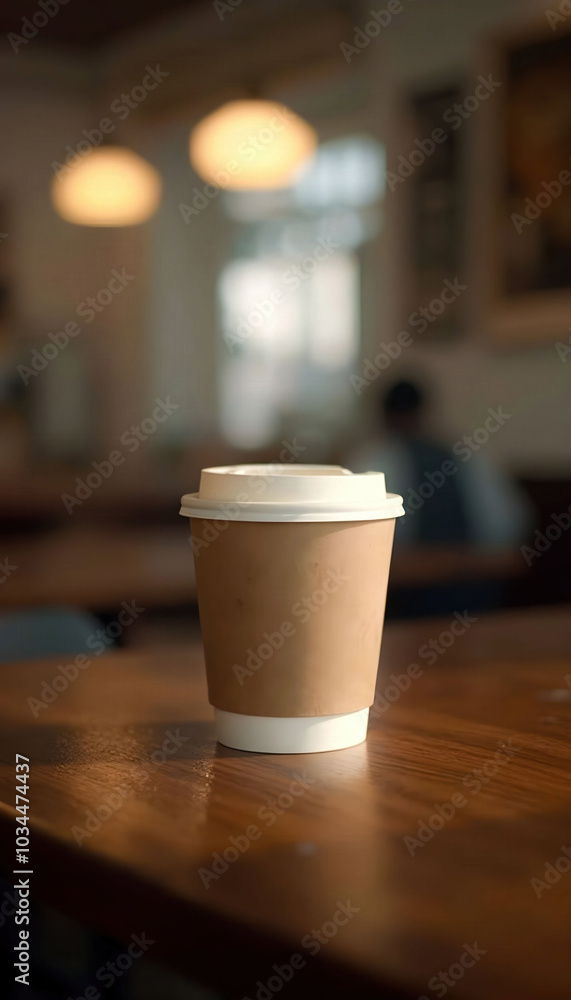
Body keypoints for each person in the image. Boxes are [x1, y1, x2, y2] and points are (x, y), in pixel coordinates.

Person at [348, 379, 531, 548]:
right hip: (472, 571)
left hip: (406, 575)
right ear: (424, 413)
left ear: (383, 415)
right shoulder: (470, 456)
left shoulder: (370, 461)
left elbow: (360, 537)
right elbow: (507, 526)